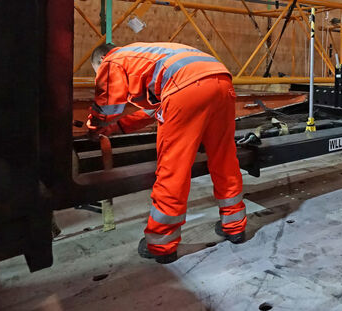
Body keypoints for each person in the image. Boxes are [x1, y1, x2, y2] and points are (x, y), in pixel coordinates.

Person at [86, 42, 246, 263]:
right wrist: (118, 128)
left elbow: (105, 105)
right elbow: (155, 108)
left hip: (187, 89)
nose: (101, 74)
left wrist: (94, 129)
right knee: (224, 158)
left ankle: (162, 244)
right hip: (221, 81)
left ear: (102, 60)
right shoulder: (149, 57)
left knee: (173, 169)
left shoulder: (113, 60)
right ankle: (235, 226)